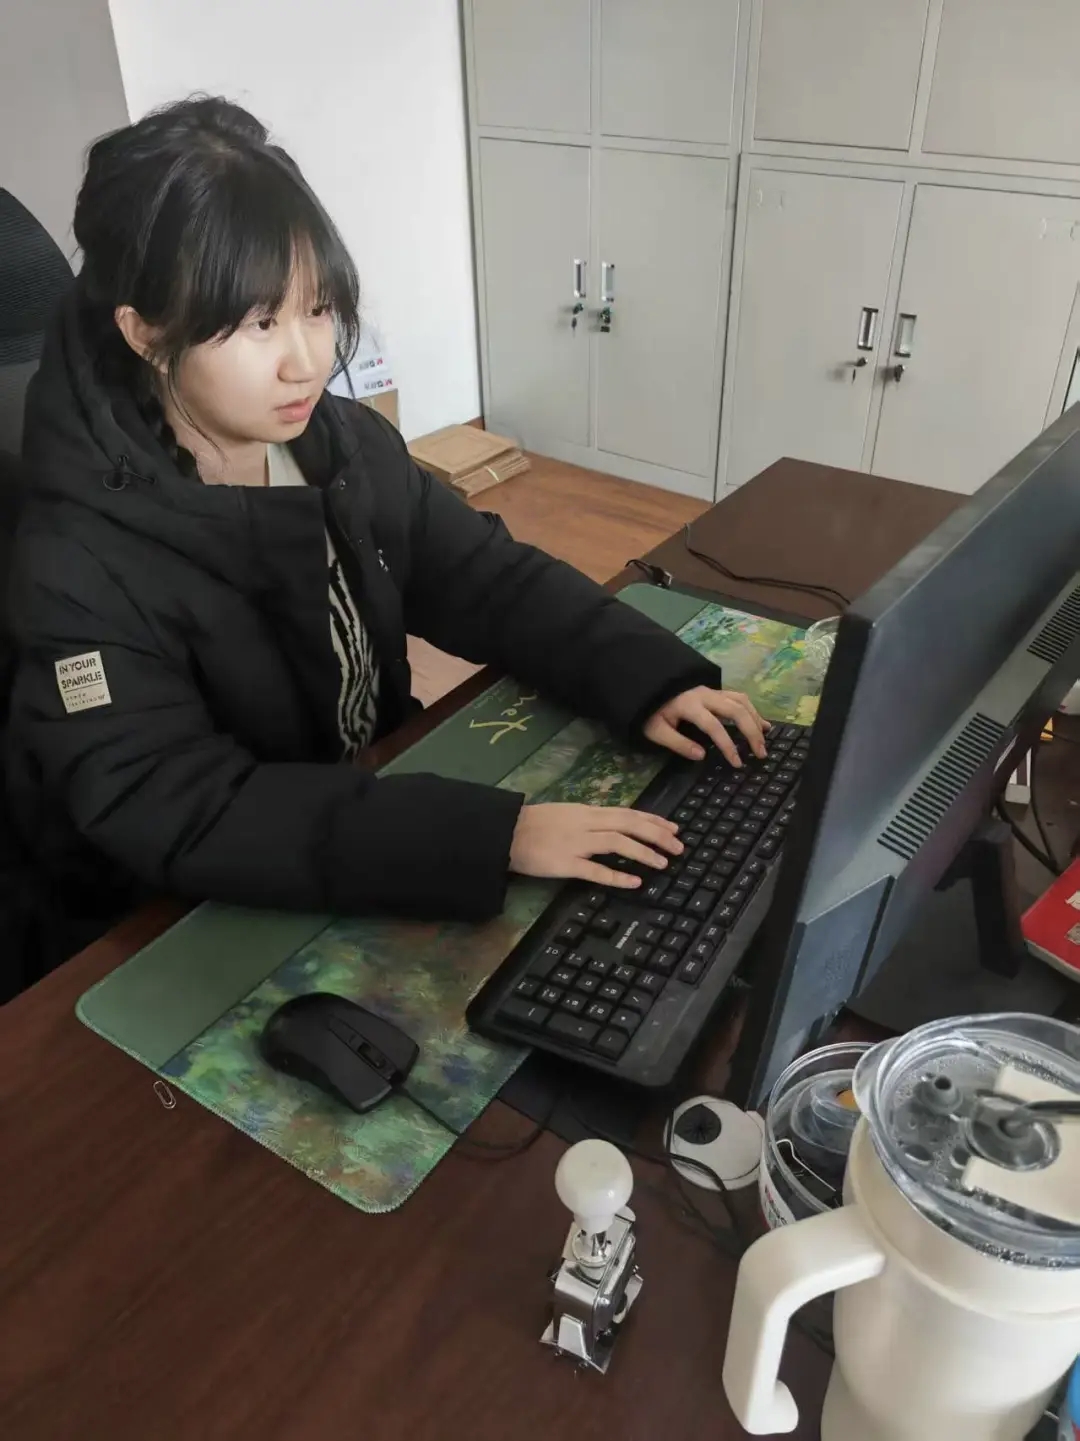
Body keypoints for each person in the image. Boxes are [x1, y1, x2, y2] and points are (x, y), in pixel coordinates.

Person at [6, 96, 767, 964]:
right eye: (258, 324)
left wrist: (643, 674)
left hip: (362, 819)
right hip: (174, 924)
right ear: (146, 333)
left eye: (317, 308)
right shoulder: (75, 561)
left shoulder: (340, 445)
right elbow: (177, 803)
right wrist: (495, 837)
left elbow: (486, 577)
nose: (306, 360)